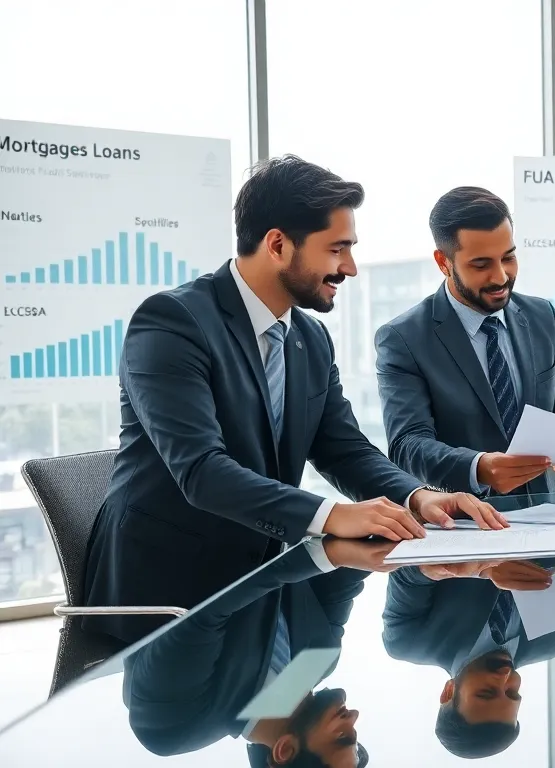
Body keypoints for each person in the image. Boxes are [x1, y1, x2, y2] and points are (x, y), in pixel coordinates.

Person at [83, 156, 504, 645]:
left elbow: (343, 448)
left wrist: (418, 495)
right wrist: (332, 515)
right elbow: (201, 471)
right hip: (167, 597)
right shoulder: (172, 323)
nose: (349, 267)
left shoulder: (308, 337)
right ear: (278, 245)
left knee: (313, 678)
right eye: (337, 249)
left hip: (263, 587)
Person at [376, 186, 555, 497]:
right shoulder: (403, 338)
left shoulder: (541, 316)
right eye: (481, 265)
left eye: (508, 258)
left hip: (551, 520)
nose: (500, 277)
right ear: (443, 262)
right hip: (462, 529)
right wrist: (477, 467)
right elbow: (407, 444)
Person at [123, 538, 395, 766]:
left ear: (285, 750)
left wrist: (322, 555)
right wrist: (410, 548)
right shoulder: (321, 658)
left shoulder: (177, 725)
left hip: (172, 514)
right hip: (260, 494)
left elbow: (204, 612)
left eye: (342, 737)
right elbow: (346, 572)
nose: (354, 717)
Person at [380, 541, 555, 760]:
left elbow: (405, 569)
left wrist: (483, 566)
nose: (504, 679)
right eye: (512, 693)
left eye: (487, 692)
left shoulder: (408, 641)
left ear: (448, 692)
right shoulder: (549, 644)